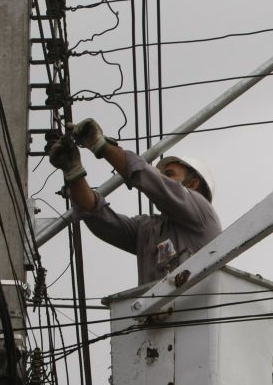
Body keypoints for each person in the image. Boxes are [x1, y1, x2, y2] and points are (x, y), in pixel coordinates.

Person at [47, 118, 222, 286]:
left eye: (169, 175)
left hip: (196, 304)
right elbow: (98, 216)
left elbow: (151, 180)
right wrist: (73, 171)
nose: (162, 178)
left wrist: (99, 144)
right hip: (157, 307)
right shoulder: (149, 229)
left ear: (193, 184)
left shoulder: (203, 214)